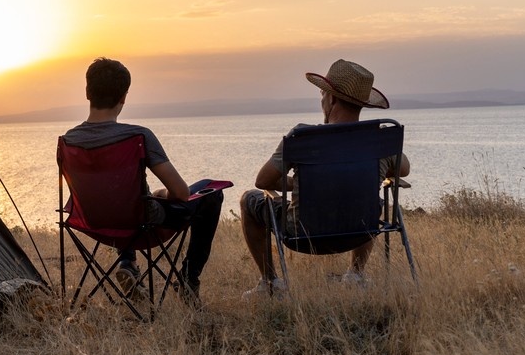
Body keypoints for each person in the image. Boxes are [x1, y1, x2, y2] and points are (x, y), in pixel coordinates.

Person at [239, 59, 410, 298]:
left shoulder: (303, 137)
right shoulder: (379, 140)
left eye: (322, 94)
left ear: (331, 99)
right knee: (371, 199)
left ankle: (270, 284)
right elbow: (403, 170)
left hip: (302, 232)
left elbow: (263, 181)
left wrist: (298, 183)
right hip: (361, 229)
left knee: (249, 199)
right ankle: (356, 275)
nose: (321, 100)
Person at [63, 57, 224, 305]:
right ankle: (189, 280)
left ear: (87, 92)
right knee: (212, 191)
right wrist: (161, 194)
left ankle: (128, 262)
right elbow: (181, 193)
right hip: (144, 224)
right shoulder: (137, 136)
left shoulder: (67, 142)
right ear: (124, 97)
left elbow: (95, 191)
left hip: (95, 224)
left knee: (122, 199)